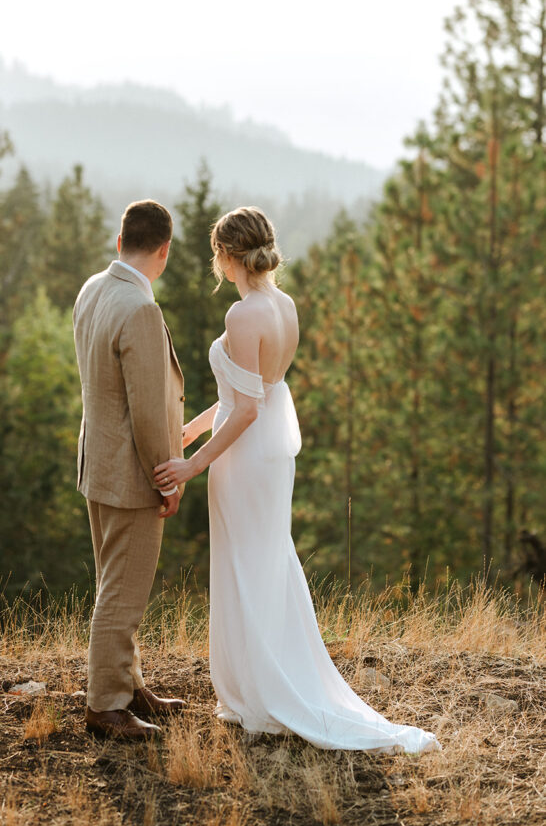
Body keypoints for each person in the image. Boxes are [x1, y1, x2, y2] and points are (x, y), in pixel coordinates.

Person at [154, 206, 441, 754]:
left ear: (227, 256)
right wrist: (189, 431)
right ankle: (258, 686)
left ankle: (263, 692)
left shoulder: (242, 317)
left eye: (216, 254)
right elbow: (248, 393)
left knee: (246, 563)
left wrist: (194, 464)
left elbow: (246, 410)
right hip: (267, 457)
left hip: (244, 454)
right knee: (263, 559)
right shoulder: (282, 304)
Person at [73, 199, 187, 741]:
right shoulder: (141, 310)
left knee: (112, 583)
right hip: (131, 476)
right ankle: (106, 707)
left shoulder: (92, 289)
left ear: (121, 242)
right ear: (163, 252)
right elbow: (146, 410)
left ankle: (128, 682)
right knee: (123, 592)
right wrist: (167, 477)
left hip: (98, 462)